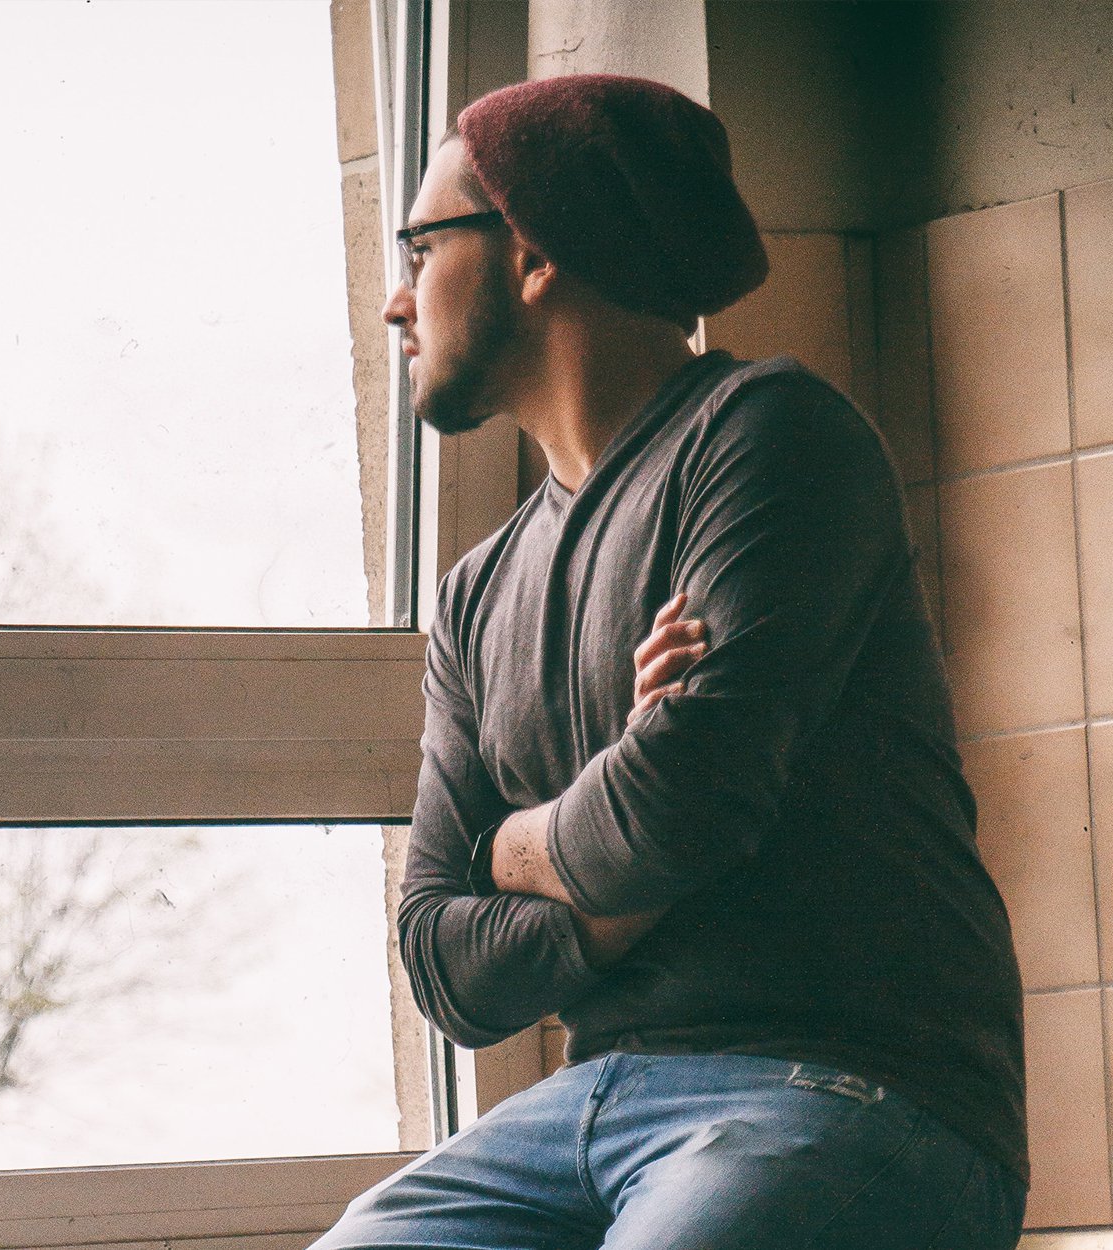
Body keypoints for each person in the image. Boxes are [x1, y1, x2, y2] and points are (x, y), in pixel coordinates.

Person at [312, 74, 1028, 1249]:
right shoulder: (474, 591)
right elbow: (443, 963)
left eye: (419, 245)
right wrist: (617, 841)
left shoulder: (767, 434)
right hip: (587, 1107)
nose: (397, 300)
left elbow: (686, 802)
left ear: (530, 253)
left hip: (851, 1091)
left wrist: (514, 839)